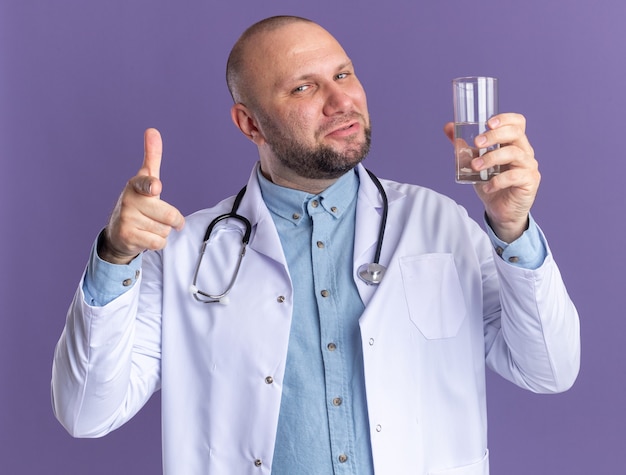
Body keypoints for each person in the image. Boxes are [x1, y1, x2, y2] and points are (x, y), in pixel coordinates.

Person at [52, 15, 580, 475]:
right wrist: (114, 258)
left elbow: (549, 370)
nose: (340, 101)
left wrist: (514, 229)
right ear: (249, 123)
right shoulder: (186, 253)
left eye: (343, 74)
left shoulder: (440, 223)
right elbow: (85, 413)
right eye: (303, 88)